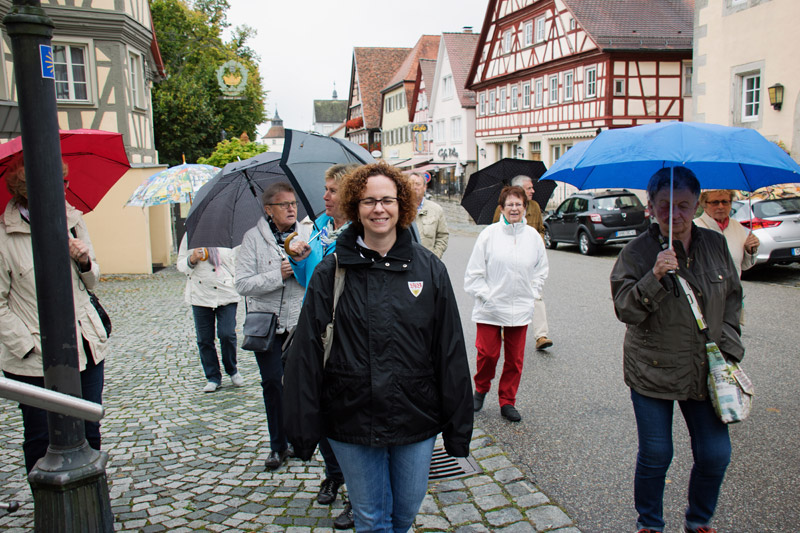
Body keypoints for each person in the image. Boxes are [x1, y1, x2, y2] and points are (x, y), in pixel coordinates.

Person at [283, 162, 473, 532]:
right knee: (371, 519)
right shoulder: (332, 270)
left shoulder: (429, 269)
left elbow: (449, 350)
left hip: (415, 415)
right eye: (369, 201)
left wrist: (457, 426)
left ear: (403, 205)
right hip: (351, 414)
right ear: (355, 206)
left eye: (387, 200)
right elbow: (307, 352)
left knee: (404, 513)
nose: (379, 209)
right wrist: (303, 427)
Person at [610, 167, 744, 533]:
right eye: (666, 205)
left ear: (696, 205)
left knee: (716, 455)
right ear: (651, 206)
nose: (676, 214)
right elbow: (625, 309)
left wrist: (729, 348)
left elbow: (732, 297)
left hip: (704, 369)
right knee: (656, 455)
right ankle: (650, 524)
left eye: (684, 205)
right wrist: (653, 277)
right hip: (652, 369)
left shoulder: (715, 245)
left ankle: (698, 521)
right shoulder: (637, 252)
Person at [0, 160, 107, 474]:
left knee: (89, 428)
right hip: (35, 359)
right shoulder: (6, 237)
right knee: (42, 437)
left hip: (85, 347)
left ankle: (91, 497)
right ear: (28, 190)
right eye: (58, 183)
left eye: (66, 181)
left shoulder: (73, 220)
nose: (66, 189)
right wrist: (29, 345)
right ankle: (47, 508)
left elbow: (93, 281)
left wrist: (85, 261)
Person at [284, 163, 357, 529]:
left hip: (346, 338)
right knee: (322, 410)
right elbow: (306, 279)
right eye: (325, 189)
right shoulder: (319, 231)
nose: (324, 196)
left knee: (349, 417)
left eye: (331, 190)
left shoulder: (359, 236)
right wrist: (297, 259)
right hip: (316, 333)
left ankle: (358, 497)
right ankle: (334, 473)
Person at [235, 182, 311, 471]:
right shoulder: (253, 239)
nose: (291, 208)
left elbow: (318, 277)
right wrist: (276, 274)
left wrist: (303, 265)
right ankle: (277, 446)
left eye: (293, 203)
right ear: (268, 209)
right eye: (284, 204)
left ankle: (299, 439)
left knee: (297, 386)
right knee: (272, 385)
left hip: (298, 324)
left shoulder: (307, 234)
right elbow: (242, 284)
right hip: (266, 326)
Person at [467, 185, 549, 423]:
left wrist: (531, 292)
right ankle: (481, 388)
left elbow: (541, 270)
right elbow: (474, 274)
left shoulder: (533, 237)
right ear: (501, 208)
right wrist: (486, 296)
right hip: (490, 307)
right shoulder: (488, 235)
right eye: (510, 204)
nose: (514, 208)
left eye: (519, 204)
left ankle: (507, 401)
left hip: (520, 308)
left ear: (525, 208)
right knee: (488, 354)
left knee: (515, 359)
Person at [492, 175, 553, 351]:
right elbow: (497, 232)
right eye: (529, 188)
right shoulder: (501, 209)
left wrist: (538, 243)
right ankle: (506, 325)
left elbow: (541, 229)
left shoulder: (534, 207)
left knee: (536, 295)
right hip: (508, 260)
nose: (533, 191)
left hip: (530, 260)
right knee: (507, 292)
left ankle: (541, 335)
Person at [176, 235, 242, 393]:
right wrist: (192, 259)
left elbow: (240, 260)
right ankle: (213, 377)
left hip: (226, 291)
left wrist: (234, 278)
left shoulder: (228, 232)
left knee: (227, 334)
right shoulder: (190, 235)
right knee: (205, 339)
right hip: (200, 293)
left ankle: (232, 369)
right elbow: (180, 265)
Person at [694, 189, 759, 277]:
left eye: (725, 202)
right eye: (715, 202)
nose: (721, 206)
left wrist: (750, 251)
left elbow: (744, 266)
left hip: (733, 288)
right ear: (704, 205)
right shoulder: (695, 227)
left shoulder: (737, 227)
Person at [408, 171, 449, 258]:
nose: (414, 187)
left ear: (424, 187)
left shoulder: (436, 209)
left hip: (427, 262)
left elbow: (442, 236)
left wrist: (435, 257)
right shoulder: (399, 209)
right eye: (411, 184)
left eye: (418, 184)